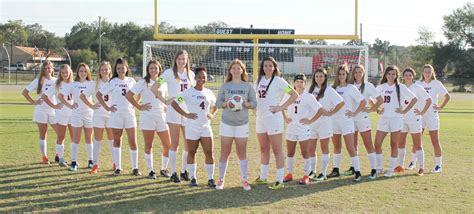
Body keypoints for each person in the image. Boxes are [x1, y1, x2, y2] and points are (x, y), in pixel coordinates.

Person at [254, 57, 298, 190]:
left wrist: (281, 107)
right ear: (262, 67)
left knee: (277, 149)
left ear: (274, 67)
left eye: (270, 66)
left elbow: (294, 94)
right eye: (265, 65)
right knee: (263, 148)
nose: (267, 68)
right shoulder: (258, 81)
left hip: (273, 118)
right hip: (260, 118)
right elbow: (256, 97)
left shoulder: (279, 81)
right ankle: (263, 177)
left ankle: (279, 180)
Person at [152, 50, 195, 182]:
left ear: (187, 60)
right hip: (174, 110)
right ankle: (173, 173)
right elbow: (154, 87)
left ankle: (184, 171)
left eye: (184, 59)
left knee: (188, 144)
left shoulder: (191, 74)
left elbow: (193, 92)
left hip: (187, 111)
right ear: (175, 60)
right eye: (179, 59)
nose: (181, 61)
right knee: (174, 143)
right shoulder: (168, 73)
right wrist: (165, 100)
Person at [171, 67, 218, 188]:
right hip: (192, 127)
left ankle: (210, 179)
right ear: (195, 78)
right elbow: (174, 102)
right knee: (192, 152)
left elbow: (216, 104)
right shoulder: (188, 92)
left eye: (204, 77)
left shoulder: (208, 92)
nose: (201, 79)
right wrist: (186, 114)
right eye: (199, 77)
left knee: (209, 152)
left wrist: (212, 114)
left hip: (205, 127)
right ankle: (193, 178)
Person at [215, 59, 256, 190]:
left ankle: (245, 180)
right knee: (224, 152)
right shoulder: (225, 86)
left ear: (243, 70)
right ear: (230, 70)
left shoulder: (248, 86)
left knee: (241, 153)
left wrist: (247, 104)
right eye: (234, 68)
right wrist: (225, 104)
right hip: (226, 123)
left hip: (242, 124)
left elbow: (254, 104)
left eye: (239, 68)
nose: (236, 70)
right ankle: (221, 179)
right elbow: (217, 104)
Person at [126, 60, 171, 179]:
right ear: (148, 70)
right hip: (148, 116)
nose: (153, 70)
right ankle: (151, 171)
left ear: (159, 69)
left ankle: (163, 169)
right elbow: (129, 95)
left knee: (168, 144)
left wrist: (165, 106)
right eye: (151, 68)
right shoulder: (143, 82)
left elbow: (164, 98)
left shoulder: (163, 82)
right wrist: (139, 106)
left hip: (162, 116)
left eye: (156, 68)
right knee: (148, 144)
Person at [96, 58, 141, 176]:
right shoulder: (113, 81)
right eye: (118, 68)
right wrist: (107, 108)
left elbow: (139, 92)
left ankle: (135, 168)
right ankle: (118, 167)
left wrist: (135, 104)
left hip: (129, 114)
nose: (121, 70)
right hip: (116, 114)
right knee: (117, 140)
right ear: (116, 69)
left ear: (126, 68)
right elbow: (99, 95)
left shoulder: (131, 80)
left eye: (123, 68)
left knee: (133, 141)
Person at [374, 65, 417, 177]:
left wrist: (404, 110)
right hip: (383, 119)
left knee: (394, 144)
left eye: (393, 74)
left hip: (396, 119)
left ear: (396, 75)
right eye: (389, 74)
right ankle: (379, 168)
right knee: (377, 143)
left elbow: (414, 99)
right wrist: (376, 108)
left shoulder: (400, 87)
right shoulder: (381, 87)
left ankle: (391, 170)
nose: (391, 76)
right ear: (385, 75)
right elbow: (371, 98)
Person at [281, 74, 323, 185]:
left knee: (305, 152)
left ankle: (306, 175)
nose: (299, 84)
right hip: (291, 128)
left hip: (303, 129)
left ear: (305, 84)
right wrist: (285, 118)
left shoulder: (308, 96)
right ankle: (289, 174)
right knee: (290, 152)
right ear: (294, 83)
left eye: (301, 82)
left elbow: (320, 110)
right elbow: (280, 106)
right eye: (297, 82)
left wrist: (310, 121)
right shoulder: (289, 94)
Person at [329, 65, 366, 182]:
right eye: (339, 74)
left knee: (351, 147)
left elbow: (363, 102)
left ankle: (358, 171)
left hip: (346, 121)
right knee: (336, 146)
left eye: (343, 74)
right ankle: (335, 169)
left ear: (347, 75)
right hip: (334, 120)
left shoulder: (351, 88)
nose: (341, 76)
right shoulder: (332, 88)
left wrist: (354, 113)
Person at [412, 64, 450, 173]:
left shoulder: (436, 83)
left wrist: (440, 107)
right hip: (420, 115)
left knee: (435, 141)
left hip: (432, 115)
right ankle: (413, 162)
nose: (427, 74)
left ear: (432, 73)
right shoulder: (418, 84)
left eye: (429, 72)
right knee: (417, 140)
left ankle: (438, 165)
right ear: (422, 73)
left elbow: (447, 96)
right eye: (425, 72)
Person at [308, 68, 344, 182]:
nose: (319, 78)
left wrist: (331, 112)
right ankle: (312, 171)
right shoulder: (311, 89)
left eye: (321, 76)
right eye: (317, 76)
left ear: (325, 78)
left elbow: (341, 102)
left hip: (324, 122)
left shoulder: (329, 90)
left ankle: (323, 173)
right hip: (312, 121)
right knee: (311, 148)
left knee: (324, 147)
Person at [58, 63, 95, 171]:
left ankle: (91, 161)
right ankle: (73, 162)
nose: (83, 73)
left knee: (89, 138)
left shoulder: (92, 83)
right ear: (77, 72)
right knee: (76, 139)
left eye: (85, 71)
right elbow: (60, 96)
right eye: (80, 71)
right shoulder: (73, 84)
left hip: (89, 113)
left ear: (87, 72)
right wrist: (70, 105)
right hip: (76, 114)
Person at [350, 65, 383, 179]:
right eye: (356, 72)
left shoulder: (368, 86)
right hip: (350, 119)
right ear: (353, 74)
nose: (358, 74)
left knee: (368, 144)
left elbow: (380, 100)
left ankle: (374, 169)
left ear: (363, 73)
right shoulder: (350, 85)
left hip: (363, 118)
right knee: (352, 145)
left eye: (360, 72)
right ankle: (353, 167)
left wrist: (371, 109)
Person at [81, 61, 115, 173]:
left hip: (111, 115)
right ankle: (95, 165)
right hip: (98, 114)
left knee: (112, 140)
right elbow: (83, 96)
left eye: (106, 69)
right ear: (99, 71)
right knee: (97, 140)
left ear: (110, 70)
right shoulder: (94, 84)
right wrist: (91, 105)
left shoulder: (114, 82)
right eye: (102, 69)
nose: (104, 71)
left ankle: (116, 163)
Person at [22, 60, 57, 164]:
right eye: (45, 68)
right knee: (43, 133)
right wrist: (34, 102)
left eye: (49, 68)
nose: (48, 70)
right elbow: (25, 92)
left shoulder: (57, 80)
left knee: (60, 133)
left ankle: (58, 154)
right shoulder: (39, 80)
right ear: (43, 69)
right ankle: (44, 157)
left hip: (54, 110)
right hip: (41, 110)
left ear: (52, 69)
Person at [398, 67, 432, 176]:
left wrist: (422, 112)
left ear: (413, 76)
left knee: (417, 144)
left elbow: (429, 100)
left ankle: (421, 168)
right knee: (401, 143)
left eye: (410, 75)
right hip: (402, 119)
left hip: (415, 119)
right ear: (403, 76)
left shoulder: (418, 87)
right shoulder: (400, 87)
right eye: (406, 75)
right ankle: (400, 165)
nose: (408, 77)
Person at [42, 64, 74, 167]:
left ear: (70, 72)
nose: (65, 74)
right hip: (61, 115)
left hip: (73, 114)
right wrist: (54, 106)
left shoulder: (74, 84)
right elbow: (44, 96)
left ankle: (74, 160)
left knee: (74, 138)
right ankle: (61, 159)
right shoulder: (56, 84)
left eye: (67, 72)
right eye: (63, 72)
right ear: (60, 73)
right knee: (61, 136)